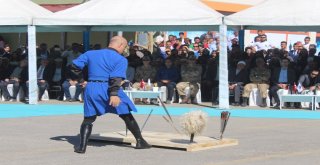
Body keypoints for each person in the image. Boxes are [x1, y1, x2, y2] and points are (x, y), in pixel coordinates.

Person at [72, 36, 151, 154]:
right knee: (126, 114)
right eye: (124, 47)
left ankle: (82, 147)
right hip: (109, 88)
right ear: (120, 45)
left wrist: (82, 79)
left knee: (88, 118)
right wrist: (114, 94)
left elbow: (73, 67)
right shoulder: (120, 59)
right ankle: (140, 141)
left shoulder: (90, 53)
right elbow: (116, 78)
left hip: (92, 88)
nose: (124, 49)